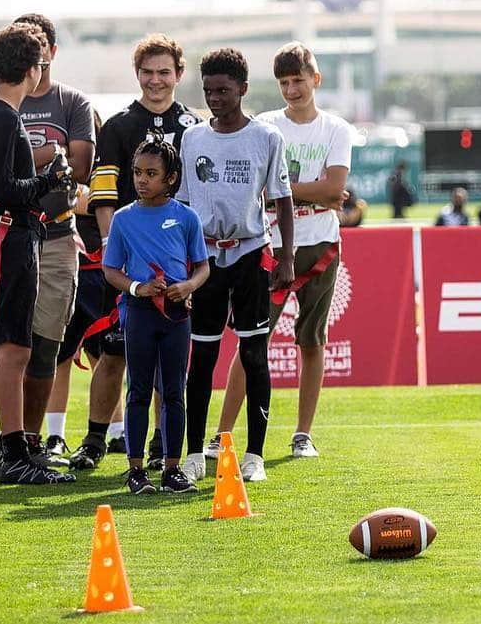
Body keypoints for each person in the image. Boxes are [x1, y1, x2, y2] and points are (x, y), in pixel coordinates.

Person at [213, 41, 352, 461]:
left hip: (322, 246)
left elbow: (334, 189)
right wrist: (312, 195)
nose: (293, 89)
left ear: (316, 79)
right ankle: (222, 436)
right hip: (269, 246)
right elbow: (257, 188)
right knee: (251, 342)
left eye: (299, 80)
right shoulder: (266, 125)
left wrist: (284, 193)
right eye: (285, 82)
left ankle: (302, 434)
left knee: (311, 342)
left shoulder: (336, 129)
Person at [70, 34, 199, 472]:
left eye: (165, 72)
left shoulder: (194, 127)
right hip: (127, 268)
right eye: (148, 72)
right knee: (113, 352)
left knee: (169, 362)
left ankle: (164, 444)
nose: (156, 80)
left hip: (176, 272)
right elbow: (103, 197)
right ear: (137, 75)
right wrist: (114, 255)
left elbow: (197, 202)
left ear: (179, 74)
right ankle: (93, 439)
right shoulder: (120, 126)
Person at [0, 14, 96, 463]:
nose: (39, 56)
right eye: (31, 50)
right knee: (5, 345)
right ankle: (6, 447)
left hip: (52, 235)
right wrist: (48, 168)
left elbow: (80, 170)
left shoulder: (69, 101)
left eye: (43, 45)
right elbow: (5, 183)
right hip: (10, 234)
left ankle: (21, 444)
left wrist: (49, 169)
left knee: (40, 345)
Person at [179, 48, 295, 483]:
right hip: (206, 258)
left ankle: (255, 455)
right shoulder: (192, 138)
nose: (215, 98)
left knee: (253, 353)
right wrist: (182, 265)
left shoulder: (266, 138)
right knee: (203, 355)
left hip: (249, 253)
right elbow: (186, 205)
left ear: (243, 89)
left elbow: (282, 199)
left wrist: (284, 256)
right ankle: (193, 453)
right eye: (208, 90)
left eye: (223, 90)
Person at [102, 137, 210, 494]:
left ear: (171, 178)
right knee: (138, 390)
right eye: (137, 172)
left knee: (174, 391)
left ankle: (172, 468)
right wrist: (136, 288)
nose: (142, 180)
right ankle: (135, 471)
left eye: (151, 173)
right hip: (140, 313)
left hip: (176, 315)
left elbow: (202, 267)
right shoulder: (122, 219)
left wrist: (188, 287)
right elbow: (110, 269)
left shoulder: (186, 217)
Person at [46, 110, 104, 464]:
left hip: (98, 272)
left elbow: (91, 201)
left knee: (107, 355)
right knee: (60, 356)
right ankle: (55, 433)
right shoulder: (55, 171)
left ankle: (115, 429)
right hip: (66, 269)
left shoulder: (105, 170)